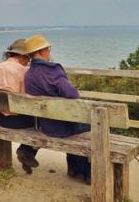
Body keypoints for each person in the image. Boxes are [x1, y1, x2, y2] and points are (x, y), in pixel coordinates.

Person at [23, 34, 91, 184]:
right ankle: (84, 172)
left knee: (74, 123)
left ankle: (73, 169)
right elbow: (73, 94)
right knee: (89, 125)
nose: (50, 52)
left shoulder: (29, 75)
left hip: (46, 126)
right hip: (63, 127)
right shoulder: (53, 70)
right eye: (48, 49)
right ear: (41, 52)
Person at [0, 38, 38, 174]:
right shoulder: (24, 71)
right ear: (24, 56)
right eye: (29, 57)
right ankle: (26, 150)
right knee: (44, 123)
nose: (29, 60)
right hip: (21, 120)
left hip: (3, 119)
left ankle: (27, 153)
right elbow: (28, 99)